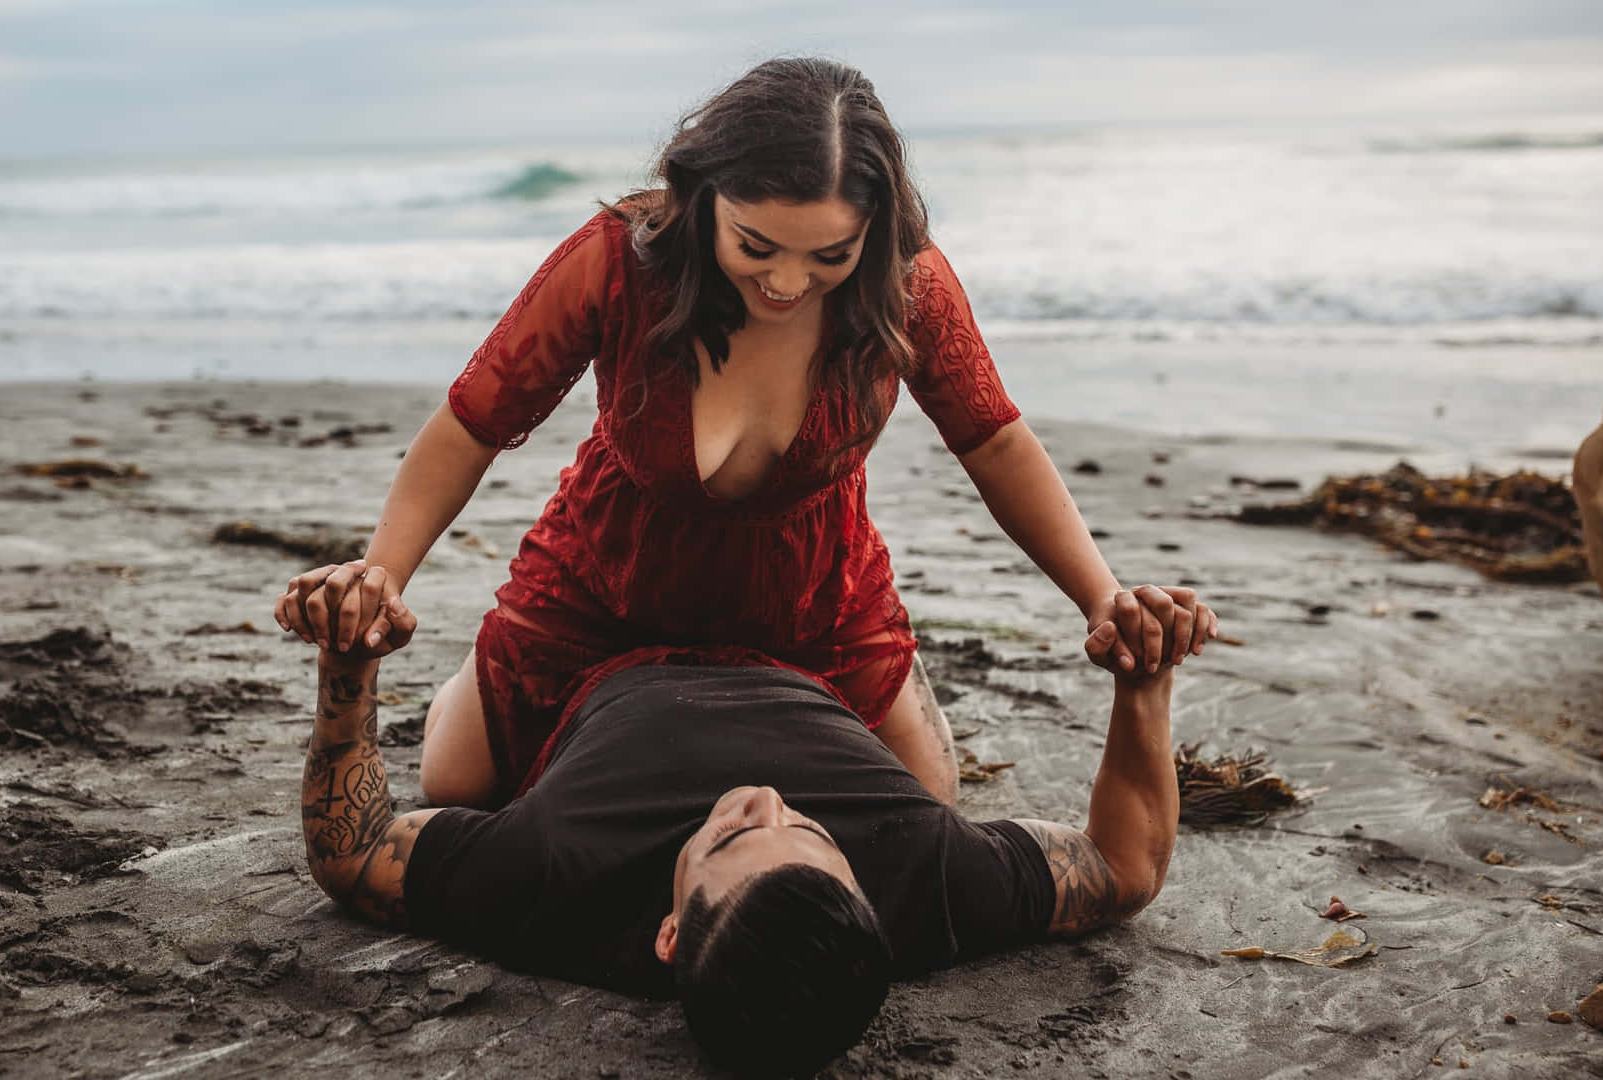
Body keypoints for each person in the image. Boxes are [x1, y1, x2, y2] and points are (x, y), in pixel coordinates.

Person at [275, 56, 1213, 810]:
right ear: (701, 197)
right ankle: (473, 681)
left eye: (829, 255)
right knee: (460, 787)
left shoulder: (909, 287)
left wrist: (1099, 597)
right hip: (606, 576)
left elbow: (996, 444)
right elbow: (469, 426)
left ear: (874, 233)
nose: (788, 284)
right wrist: (382, 574)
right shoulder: (615, 262)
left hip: (815, 592)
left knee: (923, 807)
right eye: (757, 246)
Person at [298, 603, 1193, 1075]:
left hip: (595, 648)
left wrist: (349, 667)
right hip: (814, 644)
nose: (763, 798)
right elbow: (1125, 866)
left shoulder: (548, 874)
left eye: (729, 841)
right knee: (935, 791)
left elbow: (355, 851)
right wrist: (1144, 683)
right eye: (810, 830)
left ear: (671, 933)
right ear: (865, 896)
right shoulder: (926, 875)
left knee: (452, 778)